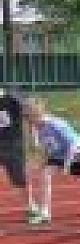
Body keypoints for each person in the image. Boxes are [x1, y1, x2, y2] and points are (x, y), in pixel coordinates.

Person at [23, 98, 80, 225]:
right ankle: (45, 212)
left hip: (75, 153)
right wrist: (43, 162)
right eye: (25, 116)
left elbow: (72, 144)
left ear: (36, 113)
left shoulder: (55, 124)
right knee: (45, 174)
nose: (26, 119)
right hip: (57, 154)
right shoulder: (37, 127)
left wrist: (67, 164)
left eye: (28, 116)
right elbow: (47, 146)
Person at [0, 87, 35, 218]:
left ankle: (31, 207)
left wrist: (34, 136)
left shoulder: (13, 99)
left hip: (13, 146)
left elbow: (30, 113)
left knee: (19, 180)